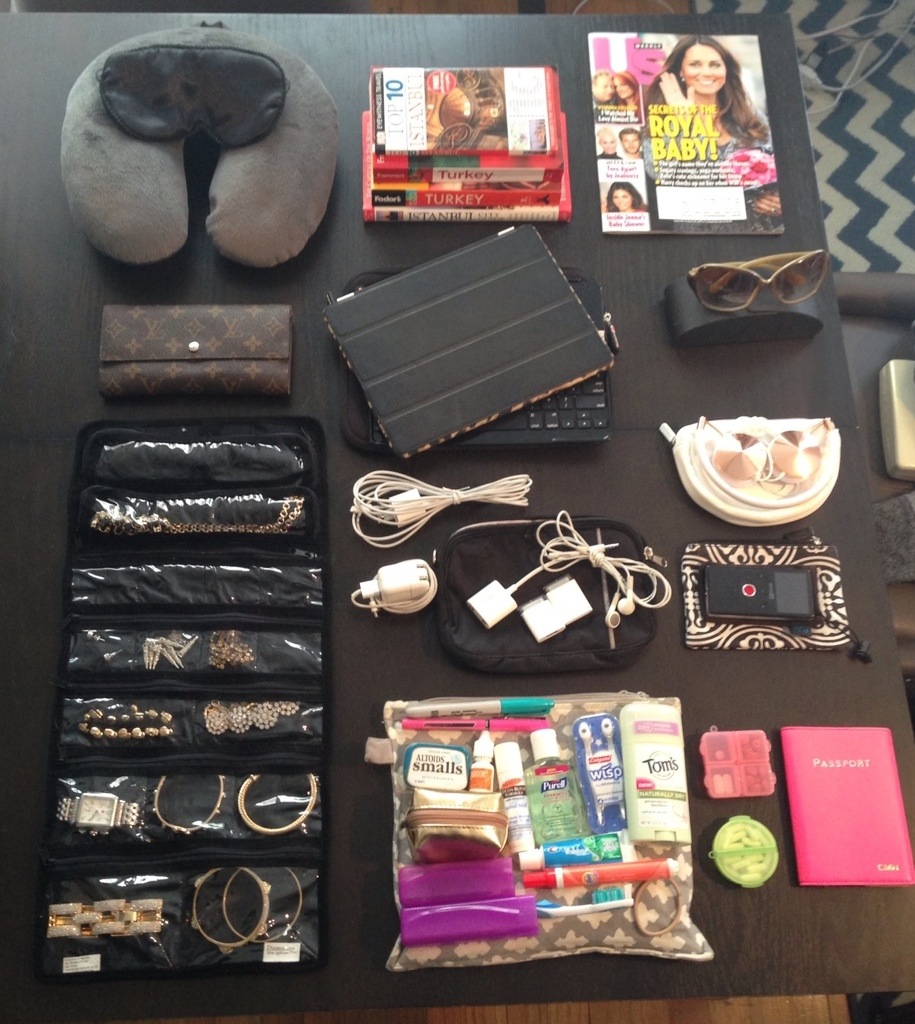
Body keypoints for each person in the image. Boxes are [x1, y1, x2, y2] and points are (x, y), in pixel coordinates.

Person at [642, 34, 782, 228]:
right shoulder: (660, 120)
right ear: (681, 71)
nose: (707, 72)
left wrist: (777, 199)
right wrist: (683, 124)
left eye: (715, 65)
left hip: (760, 233)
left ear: (726, 70)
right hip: (699, 237)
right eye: (695, 64)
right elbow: (658, 174)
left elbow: (780, 167)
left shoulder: (750, 116)